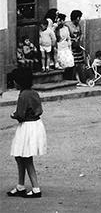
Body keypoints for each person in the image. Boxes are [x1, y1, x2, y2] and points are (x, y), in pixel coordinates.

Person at [7, 67, 46, 198]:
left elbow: (20, 114)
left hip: (27, 127)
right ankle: (20, 185)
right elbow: (38, 110)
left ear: (19, 82)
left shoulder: (23, 95)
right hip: (35, 125)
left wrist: (13, 115)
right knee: (20, 156)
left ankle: (36, 188)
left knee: (26, 158)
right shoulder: (34, 93)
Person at [54, 15, 75, 79]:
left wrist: (70, 48)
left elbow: (68, 38)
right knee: (62, 63)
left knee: (70, 62)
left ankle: (69, 78)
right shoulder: (56, 29)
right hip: (59, 47)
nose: (63, 22)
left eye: (63, 20)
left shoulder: (66, 28)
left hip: (66, 47)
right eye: (61, 20)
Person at [67, 10, 86, 82]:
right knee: (74, 63)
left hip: (78, 46)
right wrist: (72, 40)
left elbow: (81, 34)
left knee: (80, 63)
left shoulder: (79, 25)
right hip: (72, 46)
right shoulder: (68, 25)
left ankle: (80, 79)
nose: (79, 19)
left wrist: (79, 39)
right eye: (79, 18)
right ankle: (74, 78)